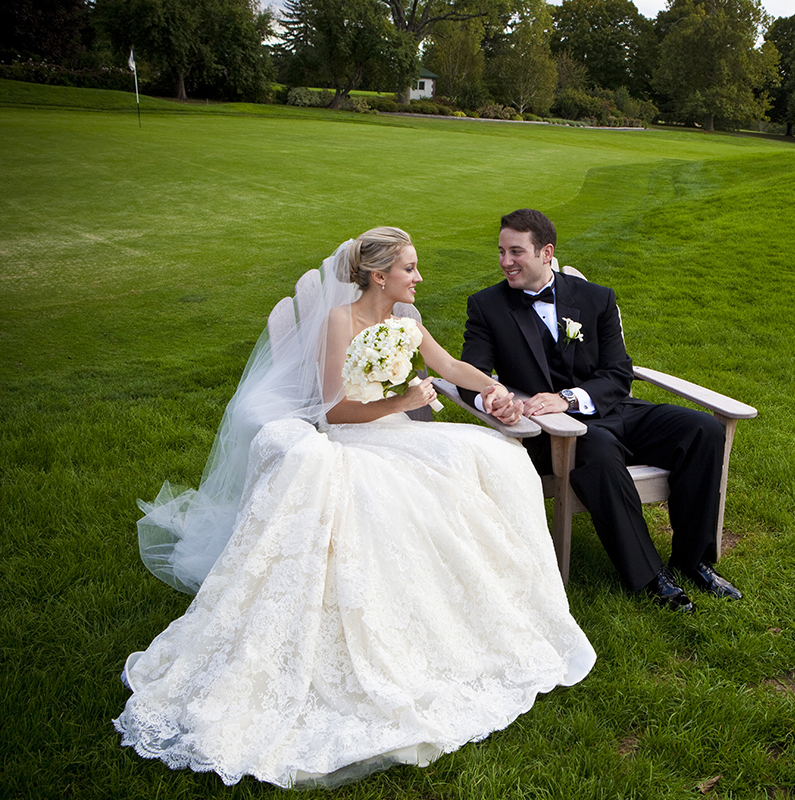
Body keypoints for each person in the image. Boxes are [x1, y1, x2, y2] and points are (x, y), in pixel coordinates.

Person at [114, 227, 595, 789]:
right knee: (391, 497)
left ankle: (503, 599)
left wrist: (496, 390)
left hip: (399, 434)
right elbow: (335, 412)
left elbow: (450, 367)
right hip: (354, 440)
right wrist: (405, 400)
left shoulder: (408, 322)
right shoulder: (340, 323)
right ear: (379, 275)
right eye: (410, 269)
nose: (419, 278)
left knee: (497, 459)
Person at [459, 209, 743, 613]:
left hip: (612, 409)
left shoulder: (596, 298)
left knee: (702, 430)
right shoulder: (487, 306)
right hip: (552, 431)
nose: (506, 261)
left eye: (516, 251)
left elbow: (617, 372)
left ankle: (692, 560)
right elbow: (471, 375)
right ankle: (649, 577)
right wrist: (494, 398)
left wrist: (571, 398)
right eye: (501, 251)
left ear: (546, 252)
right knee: (599, 450)